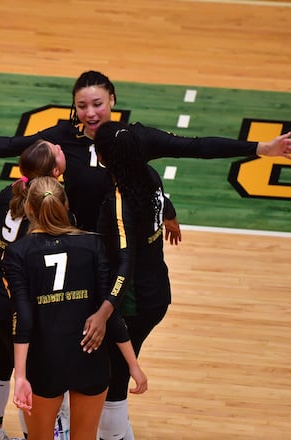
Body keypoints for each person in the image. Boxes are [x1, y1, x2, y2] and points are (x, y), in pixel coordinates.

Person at [0, 70, 291, 237]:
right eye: (82, 105)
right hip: (72, 238)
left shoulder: (133, 139)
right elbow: (11, 145)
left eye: (98, 104)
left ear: (112, 102)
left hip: (120, 242)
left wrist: (259, 148)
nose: (90, 113)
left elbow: (196, 146)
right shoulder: (62, 136)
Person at [2, 176, 148, 440]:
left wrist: (20, 376)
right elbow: (109, 312)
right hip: (90, 356)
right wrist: (133, 365)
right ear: (65, 204)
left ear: (29, 209)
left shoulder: (18, 253)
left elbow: (23, 318)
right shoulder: (92, 244)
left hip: (45, 360)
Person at [90, 121, 179, 440]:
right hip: (157, 293)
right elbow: (163, 199)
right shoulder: (149, 176)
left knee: (113, 381)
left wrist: (104, 312)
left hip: (134, 302)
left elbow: (125, 264)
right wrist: (170, 214)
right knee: (118, 371)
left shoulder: (119, 201)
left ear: (103, 157)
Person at [0, 139, 66, 440]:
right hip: (19, 301)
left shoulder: (7, 192)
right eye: (57, 150)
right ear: (54, 170)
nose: (61, 147)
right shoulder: (52, 201)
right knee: (31, 378)